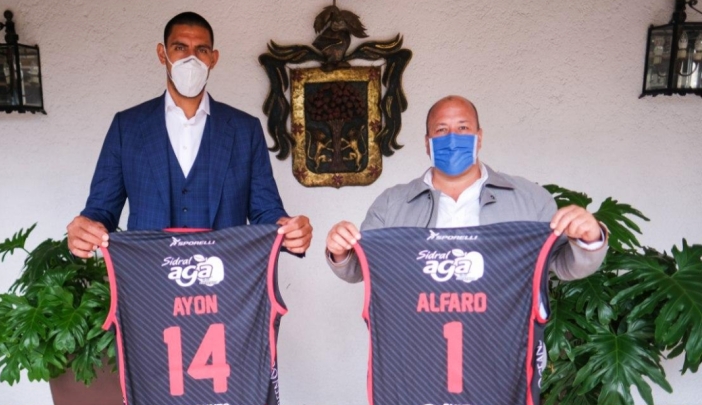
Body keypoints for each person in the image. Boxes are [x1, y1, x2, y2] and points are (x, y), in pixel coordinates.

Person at [67, 12, 312, 257]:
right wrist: (85, 228)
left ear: (213, 59)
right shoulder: (127, 127)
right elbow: (101, 211)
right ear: (162, 54)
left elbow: (265, 211)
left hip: (227, 274)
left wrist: (288, 229)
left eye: (201, 50)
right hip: (148, 275)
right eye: (180, 47)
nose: (191, 58)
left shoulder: (245, 130)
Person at [326, 95, 606, 282]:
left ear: (478, 138)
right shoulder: (392, 204)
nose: (452, 138)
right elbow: (360, 269)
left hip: (502, 345)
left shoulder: (530, 199)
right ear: (427, 142)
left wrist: (590, 239)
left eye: (462, 128)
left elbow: (564, 265)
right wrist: (341, 251)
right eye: (441, 130)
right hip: (418, 343)